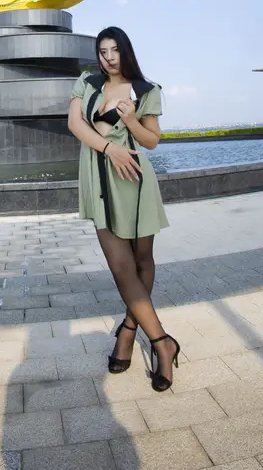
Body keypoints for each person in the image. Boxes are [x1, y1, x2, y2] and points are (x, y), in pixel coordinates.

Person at [68, 27, 180, 392]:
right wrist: (109, 149)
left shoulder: (145, 90)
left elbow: (152, 141)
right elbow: (74, 124)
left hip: (133, 180)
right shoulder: (87, 82)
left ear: (125, 51)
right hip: (100, 179)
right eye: (103, 51)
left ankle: (129, 331)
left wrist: (131, 121)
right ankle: (162, 342)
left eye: (115, 50)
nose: (109, 57)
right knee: (120, 266)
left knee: (141, 260)